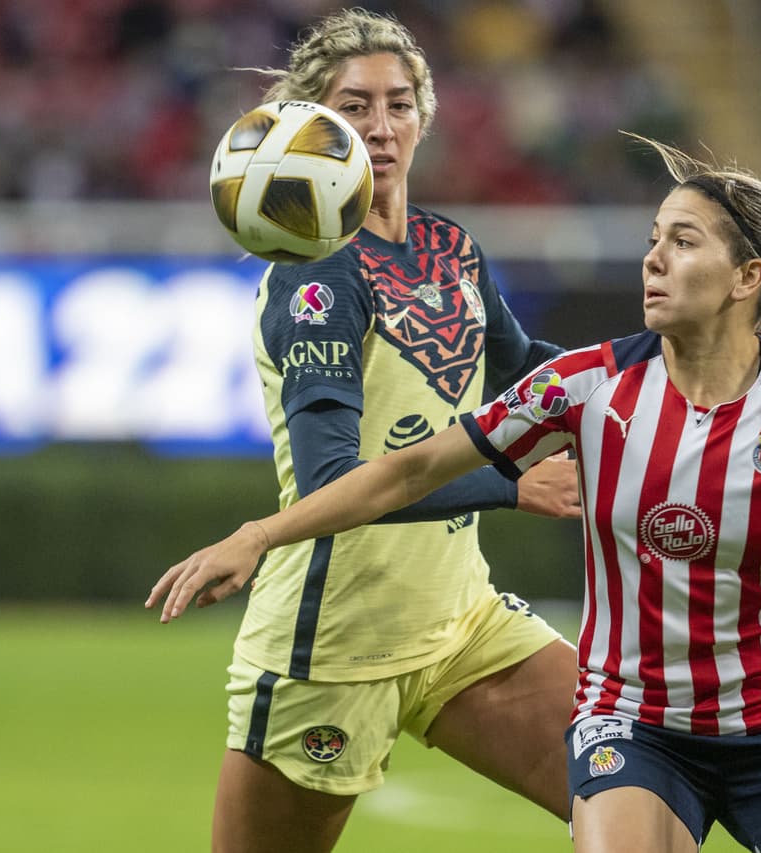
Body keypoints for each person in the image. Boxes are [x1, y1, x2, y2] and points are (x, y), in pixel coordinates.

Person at [151, 136, 761, 851]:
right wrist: (260, 532)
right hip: (632, 723)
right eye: (654, 239)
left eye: (683, 242)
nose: (653, 258)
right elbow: (403, 471)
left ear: (746, 277)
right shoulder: (582, 389)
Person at [146, 9, 585, 852]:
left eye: (400, 103)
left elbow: (528, 369)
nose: (381, 129)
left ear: (426, 113)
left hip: (465, 623)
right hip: (332, 645)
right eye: (355, 108)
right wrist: (510, 483)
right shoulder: (315, 279)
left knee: (644, 808)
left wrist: (664, 363)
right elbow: (327, 478)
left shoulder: (452, 249)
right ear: (314, 126)